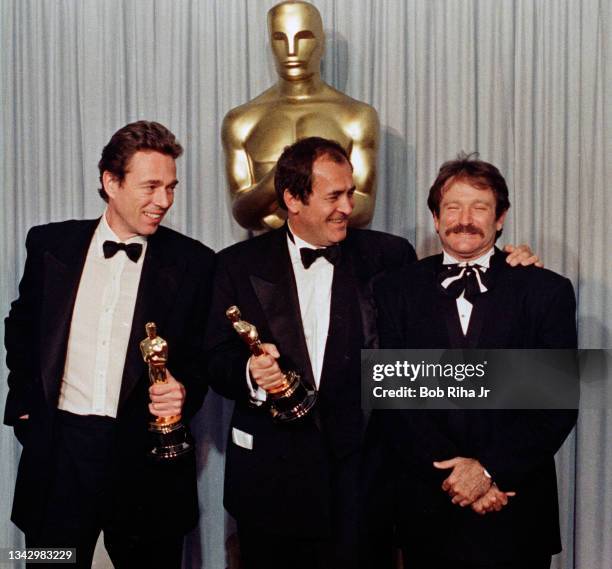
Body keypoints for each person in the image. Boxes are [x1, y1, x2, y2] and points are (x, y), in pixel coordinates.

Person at [205, 138, 537, 569]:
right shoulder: (235, 264)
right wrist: (251, 373)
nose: (348, 206)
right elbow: (213, 357)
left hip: (366, 487)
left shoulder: (388, 256)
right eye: (334, 196)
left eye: (350, 193)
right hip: (270, 486)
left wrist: (509, 265)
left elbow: (438, 354)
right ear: (292, 199)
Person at [4, 121, 215, 568]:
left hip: (146, 464)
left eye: (171, 187)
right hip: (60, 454)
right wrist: (23, 404)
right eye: (151, 186)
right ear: (110, 182)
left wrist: (183, 393)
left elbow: (201, 361)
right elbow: (22, 326)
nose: (165, 201)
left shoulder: (194, 262)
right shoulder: (49, 243)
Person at [374, 153, 578, 569]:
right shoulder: (395, 290)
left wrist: (489, 472)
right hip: (429, 507)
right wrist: (456, 478)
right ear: (435, 217)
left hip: (515, 506)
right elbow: (394, 402)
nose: (464, 218)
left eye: (479, 207)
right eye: (452, 206)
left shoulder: (546, 291)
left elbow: (555, 407)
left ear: (500, 218)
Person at [222, 0, 379, 231]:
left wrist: (281, 206)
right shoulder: (241, 121)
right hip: (266, 256)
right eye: (279, 39)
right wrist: (282, 176)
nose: (291, 50)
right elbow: (242, 212)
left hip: (343, 255)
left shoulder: (356, 117)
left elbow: (363, 206)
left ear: (321, 43)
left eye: (303, 37)